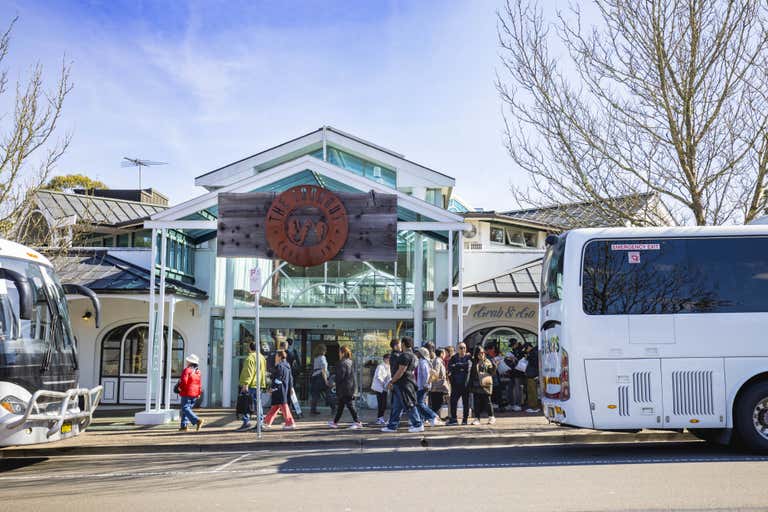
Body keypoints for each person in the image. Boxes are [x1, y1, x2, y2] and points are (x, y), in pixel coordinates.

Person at [382, 337, 423, 433]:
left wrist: (391, 381)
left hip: (403, 384)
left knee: (408, 404)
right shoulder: (413, 355)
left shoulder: (405, 356)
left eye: (401, 343)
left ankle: (418, 424)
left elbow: (401, 371)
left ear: (403, 344)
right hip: (403, 383)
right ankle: (392, 426)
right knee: (397, 406)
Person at [328, 345, 363, 429]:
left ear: (343, 353)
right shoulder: (350, 362)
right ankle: (335, 422)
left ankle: (357, 422)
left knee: (350, 406)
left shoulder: (341, 363)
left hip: (344, 389)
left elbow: (340, 376)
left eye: (339, 352)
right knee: (341, 406)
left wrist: (334, 382)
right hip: (349, 387)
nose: (339, 354)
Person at [236, 342, 267, 431]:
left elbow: (249, 372)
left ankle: (246, 422)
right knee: (258, 404)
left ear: (250, 348)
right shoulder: (262, 358)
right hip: (259, 384)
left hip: (251, 384)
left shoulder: (250, 358)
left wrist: (245, 384)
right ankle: (260, 423)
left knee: (246, 403)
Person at [263, 350, 296, 430]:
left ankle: (290, 423)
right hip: (284, 388)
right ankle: (267, 422)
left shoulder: (279, 366)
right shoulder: (287, 365)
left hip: (279, 389)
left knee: (283, 406)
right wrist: (291, 387)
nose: (275, 357)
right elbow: (290, 378)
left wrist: (272, 388)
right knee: (276, 406)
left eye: (276, 356)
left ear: (280, 357)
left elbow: (278, 379)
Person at [415, 347, 443, 426]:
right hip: (421, 386)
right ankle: (429, 418)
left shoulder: (423, 362)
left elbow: (426, 374)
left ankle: (433, 416)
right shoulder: (421, 361)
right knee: (420, 403)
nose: (416, 353)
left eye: (418, 352)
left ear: (421, 354)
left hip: (423, 386)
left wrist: (426, 384)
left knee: (419, 403)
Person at [470, 345, 496, 425]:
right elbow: (471, 373)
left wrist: (494, 366)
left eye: (482, 353)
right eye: (479, 353)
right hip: (476, 384)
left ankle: (491, 417)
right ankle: (477, 418)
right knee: (476, 402)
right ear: (476, 354)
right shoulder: (473, 361)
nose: (481, 355)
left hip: (485, 384)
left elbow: (492, 372)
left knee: (487, 401)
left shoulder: (487, 361)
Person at [177, 354, 204, 432]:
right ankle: (183, 426)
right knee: (186, 409)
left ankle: (197, 420)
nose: (186, 361)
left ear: (190, 362)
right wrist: (198, 393)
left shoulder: (187, 370)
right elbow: (199, 384)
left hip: (187, 392)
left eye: (187, 360)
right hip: (195, 394)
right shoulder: (198, 372)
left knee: (185, 408)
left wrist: (180, 388)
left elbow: (184, 381)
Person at [447, 342, 472, 425]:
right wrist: (460, 367)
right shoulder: (453, 358)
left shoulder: (469, 357)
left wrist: (457, 366)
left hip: (466, 384)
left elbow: (468, 366)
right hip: (455, 384)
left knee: (466, 403)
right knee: (453, 402)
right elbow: (450, 368)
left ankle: (465, 420)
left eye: (464, 348)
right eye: (461, 348)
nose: (463, 349)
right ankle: (454, 419)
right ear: (457, 349)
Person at [371, 353, 391, 425]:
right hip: (379, 388)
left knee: (383, 404)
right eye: (389, 359)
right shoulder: (380, 366)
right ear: (385, 359)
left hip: (384, 388)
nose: (390, 360)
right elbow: (379, 377)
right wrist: (385, 384)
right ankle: (380, 418)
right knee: (381, 404)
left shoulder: (388, 367)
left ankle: (380, 418)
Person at [429, 348, 450, 415]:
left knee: (438, 403)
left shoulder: (439, 361)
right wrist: (434, 386)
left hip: (439, 386)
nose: (445, 355)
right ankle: (434, 417)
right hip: (437, 386)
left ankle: (436, 417)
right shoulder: (437, 361)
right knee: (437, 403)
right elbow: (435, 374)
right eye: (444, 353)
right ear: (441, 354)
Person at [309, 344, 329, 414]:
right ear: (323, 350)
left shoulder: (316, 357)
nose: (326, 351)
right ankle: (333, 407)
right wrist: (326, 380)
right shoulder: (322, 357)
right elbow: (323, 369)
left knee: (315, 394)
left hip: (314, 376)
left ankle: (313, 409)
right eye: (325, 350)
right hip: (321, 377)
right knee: (327, 392)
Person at [524, 343, 540, 413]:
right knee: (532, 391)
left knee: (532, 391)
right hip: (532, 374)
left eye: (526, 348)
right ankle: (533, 406)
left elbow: (534, 363)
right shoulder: (533, 352)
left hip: (532, 375)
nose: (526, 350)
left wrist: (527, 357)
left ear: (529, 347)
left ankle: (534, 407)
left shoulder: (533, 353)